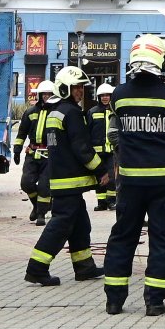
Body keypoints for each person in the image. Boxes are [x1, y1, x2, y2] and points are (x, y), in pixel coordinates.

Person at [102, 33, 165, 317]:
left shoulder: (119, 95)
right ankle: (154, 301)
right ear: (162, 62)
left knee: (123, 236)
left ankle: (114, 301)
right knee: (162, 239)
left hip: (130, 181)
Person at [25, 66, 106, 286]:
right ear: (64, 89)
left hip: (63, 179)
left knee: (80, 224)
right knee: (60, 225)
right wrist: (101, 170)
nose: (80, 91)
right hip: (69, 181)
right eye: (76, 87)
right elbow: (82, 148)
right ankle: (37, 268)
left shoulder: (56, 111)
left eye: (81, 87)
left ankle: (84, 267)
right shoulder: (72, 113)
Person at [18, 80, 58, 225]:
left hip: (50, 155)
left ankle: (41, 213)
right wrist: (17, 150)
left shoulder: (56, 112)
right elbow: (22, 132)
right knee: (26, 183)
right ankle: (36, 206)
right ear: (40, 95)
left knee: (44, 186)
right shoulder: (30, 112)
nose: (46, 96)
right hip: (33, 153)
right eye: (44, 94)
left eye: (49, 94)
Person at [91, 82, 116, 211]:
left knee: (112, 177)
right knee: (100, 177)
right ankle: (101, 202)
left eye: (107, 95)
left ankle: (111, 201)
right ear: (99, 97)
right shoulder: (92, 112)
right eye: (102, 95)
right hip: (97, 152)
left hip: (112, 151)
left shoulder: (115, 111)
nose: (105, 98)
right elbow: (88, 131)